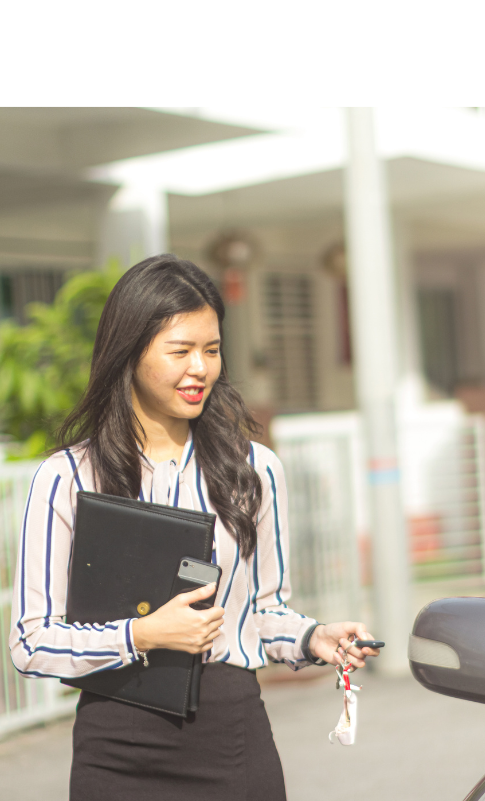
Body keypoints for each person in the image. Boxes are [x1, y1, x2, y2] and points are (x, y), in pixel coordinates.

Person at [9, 255, 379, 800]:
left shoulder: (254, 468)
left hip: (229, 733)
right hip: (115, 745)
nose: (200, 369)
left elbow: (261, 612)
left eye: (211, 350)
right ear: (128, 353)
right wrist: (141, 635)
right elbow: (30, 640)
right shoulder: (66, 477)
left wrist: (311, 636)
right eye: (179, 351)